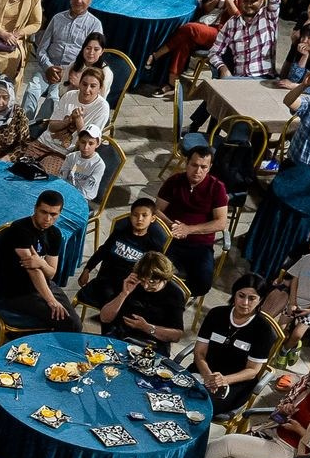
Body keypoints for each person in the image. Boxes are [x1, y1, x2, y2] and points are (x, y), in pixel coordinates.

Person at [0, 191, 78, 333]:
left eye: (53, 214)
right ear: (35, 208)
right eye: (44, 212)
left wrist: (41, 263)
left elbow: (51, 273)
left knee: (75, 322)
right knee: (67, 322)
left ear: (60, 213)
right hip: (18, 291)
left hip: (45, 286)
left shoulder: (55, 234)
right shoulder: (20, 229)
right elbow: (33, 271)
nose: (48, 218)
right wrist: (51, 300)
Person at [191, 279, 279, 416]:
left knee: (199, 408)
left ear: (260, 300)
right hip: (204, 370)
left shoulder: (264, 330)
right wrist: (208, 375)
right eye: (241, 296)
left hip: (236, 383)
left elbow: (252, 371)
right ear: (234, 294)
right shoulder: (216, 314)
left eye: (252, 298)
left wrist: (224, 380)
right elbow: (199, 352)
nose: (245, 303)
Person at [154, 147, 231, 300]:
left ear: (210, 167)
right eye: (194, 165)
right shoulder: (174, 181)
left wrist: (188, 229)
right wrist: (171, 225)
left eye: (203, 167)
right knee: (153, 269)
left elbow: (221, 223)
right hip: (170, 239)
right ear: (187, 164)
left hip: (200, 245)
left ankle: (175, 298)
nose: (198, 171)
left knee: (203, 283)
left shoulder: (217, 187)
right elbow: (156, 210)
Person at [25, 0, 103, 121]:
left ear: (90, 1)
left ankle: (37, 129)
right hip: (47, 68)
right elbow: (41, 49)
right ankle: (23, 125)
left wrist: (70, 70)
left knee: (53, 99)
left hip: (71, 73)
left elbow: (92, 57)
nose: (79, 1)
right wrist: (48, 67)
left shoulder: (94, 24)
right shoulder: (57, 18)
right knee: (31, 90)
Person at [94, 251, 191, 357]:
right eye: (143, 280)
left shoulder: (175, 294)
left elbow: (176, 335)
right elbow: (104, 318)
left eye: (152, 282)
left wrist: (147, 327)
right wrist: (124, 294)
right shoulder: (131, 282)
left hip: (152, 344)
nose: (146, 286)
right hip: (121, 336)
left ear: (164, 278)